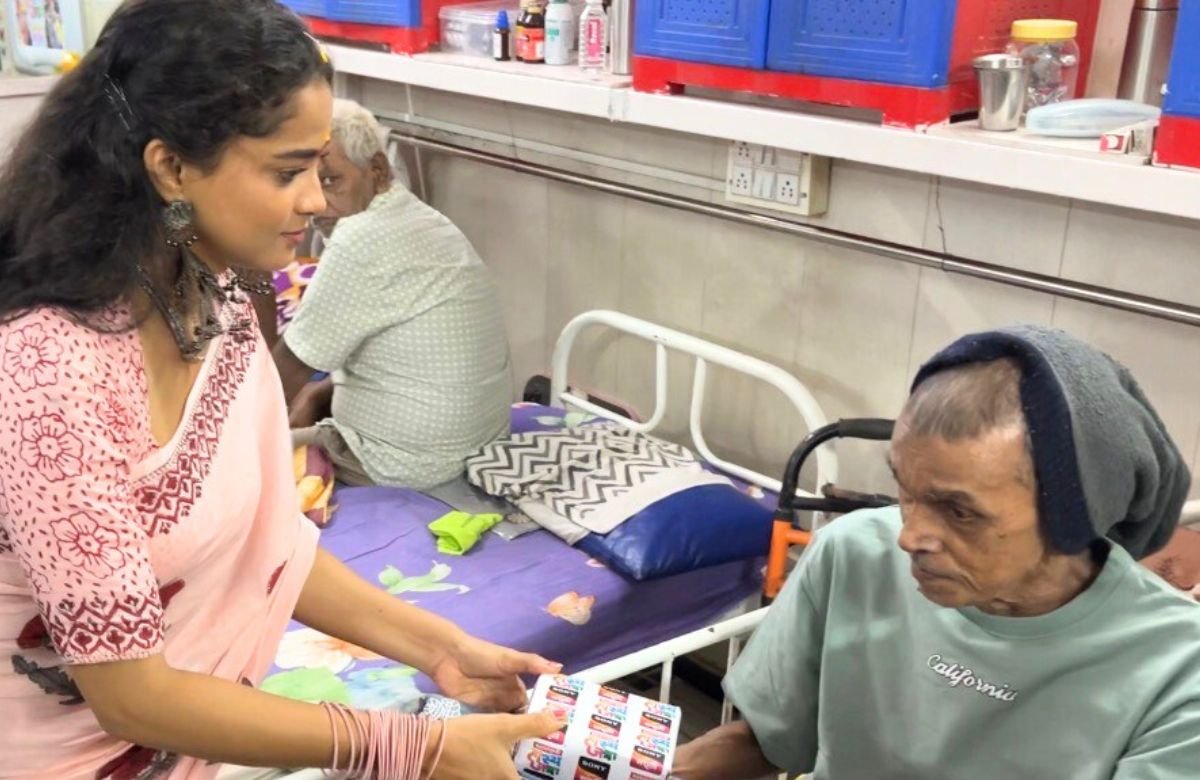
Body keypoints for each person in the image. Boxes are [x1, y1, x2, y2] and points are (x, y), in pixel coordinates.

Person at [0, 2, 562, 778]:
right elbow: (132, 697)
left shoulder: (215, 305)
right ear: (171, 168)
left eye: (320, 170)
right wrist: (414, 747)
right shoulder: (46, 372)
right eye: (287, 171)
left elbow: (268, 540)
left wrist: (441, 648)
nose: (317, 201)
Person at [673, 325, 1200, 780]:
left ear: (1073, 516)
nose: (910, 536)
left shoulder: (1177, 671)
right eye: (906, 490)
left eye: (959, 511)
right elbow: (768, 741)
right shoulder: (855, 555)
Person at [272, 99, 511, 493]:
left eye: (330, 180)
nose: (314, 203)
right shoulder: (422, 219)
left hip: (400, 466)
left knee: (251, 467)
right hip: (475, 446)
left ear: (378, 170)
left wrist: (218, 445)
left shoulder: (359, 239)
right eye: (303, 181)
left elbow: (285, 370)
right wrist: (320, 393)